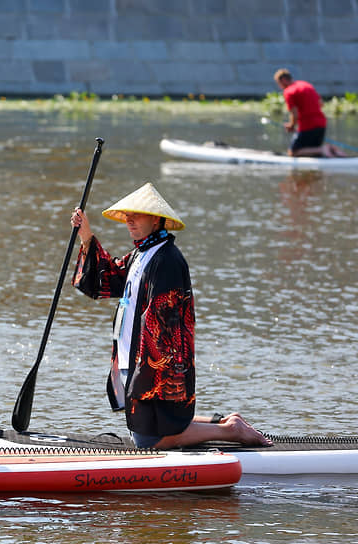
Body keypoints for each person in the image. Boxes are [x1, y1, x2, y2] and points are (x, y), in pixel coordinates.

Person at [69, 182, 272, 449]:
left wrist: (148, 369)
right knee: (145, 430)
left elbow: (166, 326)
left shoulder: (167, 260)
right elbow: (106, 278)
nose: (129, 220)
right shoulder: (141, 253)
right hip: (134, 355)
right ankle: (222, 422)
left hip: (155, 362)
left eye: (136, 214)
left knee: (147, 439)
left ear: (156, 219)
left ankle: (231, 431)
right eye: (127, 215)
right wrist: (86, 236)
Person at [273, 68, 346, 158]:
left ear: (283, 80)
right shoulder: (306, 85)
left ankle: (323, 149)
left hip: (308, 125)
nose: (280, 86)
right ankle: (332, 150)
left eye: (279, 83)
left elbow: (294, 114)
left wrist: (291, 126)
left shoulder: (289, 92)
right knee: (312, 150)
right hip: (321, 123)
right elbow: (321, 103)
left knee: (293, 152)